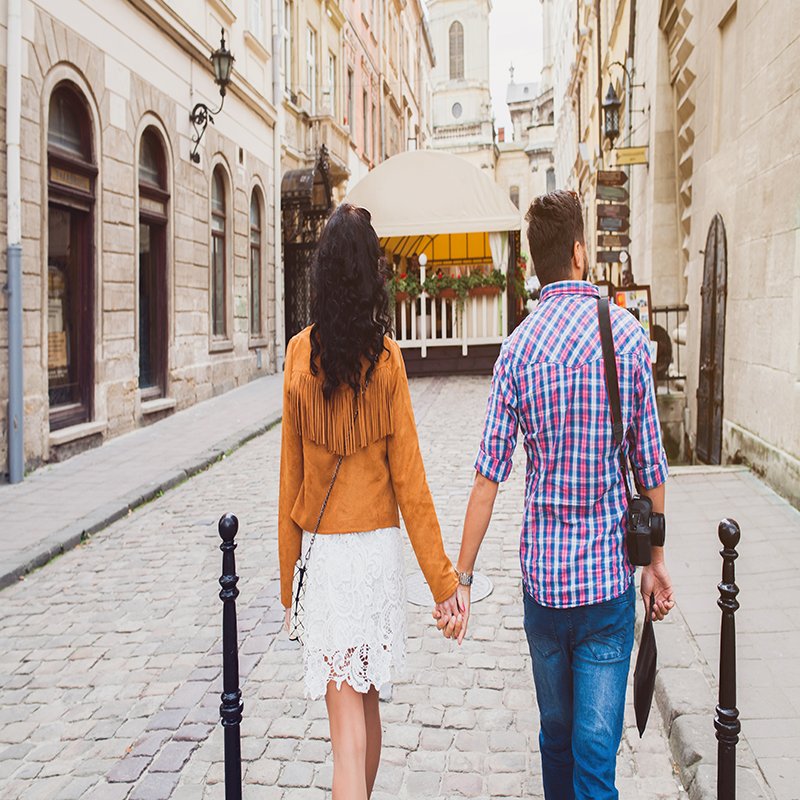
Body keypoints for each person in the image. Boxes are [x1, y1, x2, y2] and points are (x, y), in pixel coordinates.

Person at [441, 190, 675, 799]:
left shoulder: (516, 350)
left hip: (545, 587)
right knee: (595, 755)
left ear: (533, 264)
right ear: (578, 252)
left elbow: (488, 477)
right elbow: (651, 469)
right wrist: (653, 562)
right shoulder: (626, 338)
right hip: (603, 588)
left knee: (555, 736)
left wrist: (460, 579)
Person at [279, 203, 461, 800]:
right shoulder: (388, 360)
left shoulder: (299, 358)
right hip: (378, 557)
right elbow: (411, 481)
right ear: (371, 277)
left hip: (330, 561)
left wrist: (288, 585)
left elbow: (290, 481)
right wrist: (443, 584)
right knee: (368, 707)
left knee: (343, 734)